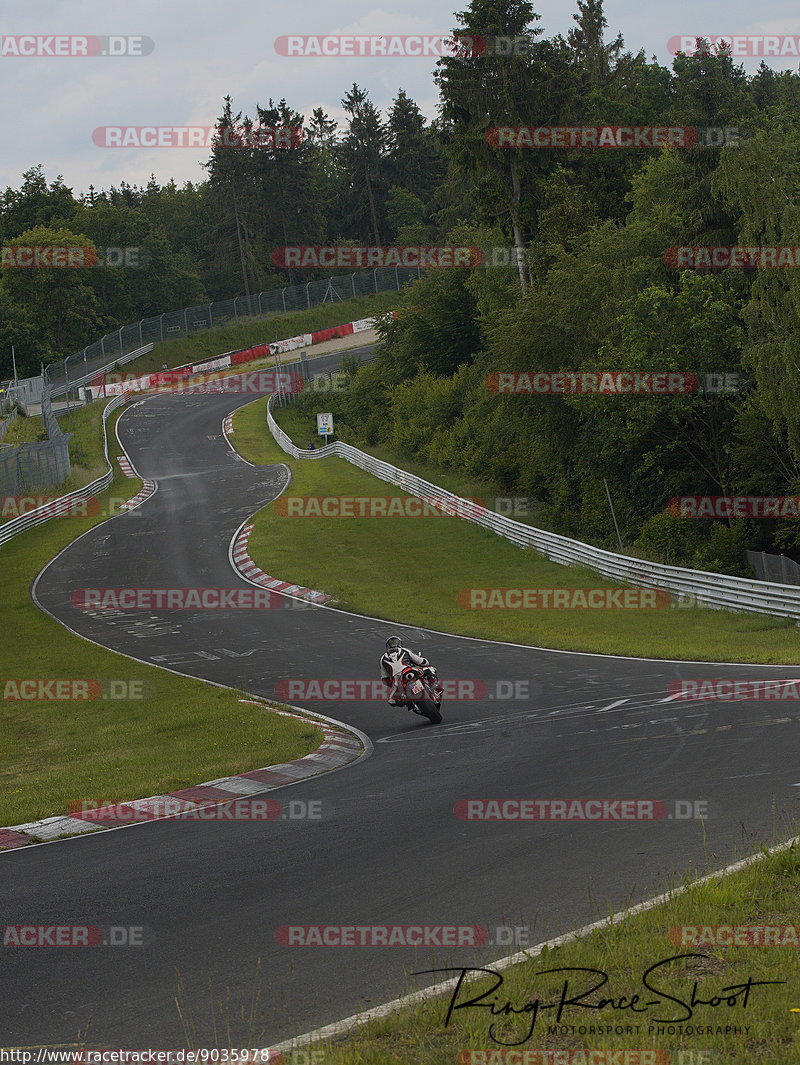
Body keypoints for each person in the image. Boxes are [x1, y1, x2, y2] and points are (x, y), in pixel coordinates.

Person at [380, 635, 442, 706]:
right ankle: (436, 689)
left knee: (391, 700)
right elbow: (419, 661)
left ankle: (407, 701)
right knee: (430, 669)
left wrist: (393, 683)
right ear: (400, 644)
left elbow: (384, 679)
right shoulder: (404, 650)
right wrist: (425, 662)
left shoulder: (382, 658)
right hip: (410, 671)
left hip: (398, 681)